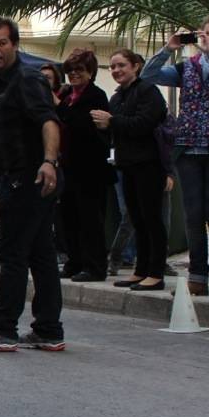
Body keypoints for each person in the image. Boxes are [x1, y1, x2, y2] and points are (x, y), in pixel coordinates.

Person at [0, 16, 64, 353]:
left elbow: (49, 121)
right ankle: (48, 329)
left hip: (28, 178)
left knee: (13, 254)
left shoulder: (27, 79)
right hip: (12, 180)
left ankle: (3, 328)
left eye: (2, 43)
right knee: (41, 254)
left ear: (15, 44)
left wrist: (49, 161)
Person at [142, 18, 209, 295]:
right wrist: (168, 48)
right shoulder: (186, 68)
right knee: (193, 215)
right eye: (207, 34)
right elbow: (148, 77)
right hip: (187, 148)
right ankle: (197, 277)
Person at [92, 50, 169, 291]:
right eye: (113, 66)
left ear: (135, 66)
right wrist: (105, 126)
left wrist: (112, 121)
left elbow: (144, 123)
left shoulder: (148, 91)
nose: (116, 70)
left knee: (152, 218)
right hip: (126, 165)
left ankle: (156, 272)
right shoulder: (117, 97)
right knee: (137, 218)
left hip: (149, 164)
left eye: (121, 65)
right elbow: (115, 131)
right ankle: (141, 269)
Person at [56, 49, 113, 283]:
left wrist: (59, 106)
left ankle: (95, 266)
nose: (74, 74)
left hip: (91, 167)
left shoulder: (96, 96)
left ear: (90, 72)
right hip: (68, 165)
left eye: (79, 70)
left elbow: (82, 125)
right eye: (70, 70)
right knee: (69, 217)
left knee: (90, 219)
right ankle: (75, 261)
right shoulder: (67, 95)